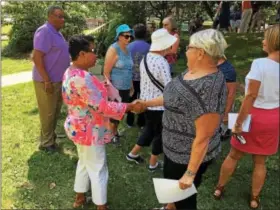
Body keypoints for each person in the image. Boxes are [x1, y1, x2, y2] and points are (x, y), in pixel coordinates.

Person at [135, 29, 227, 210]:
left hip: (185, 157)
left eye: (189, 47)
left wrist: (190, 173)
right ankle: (170, 207)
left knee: (185, 198)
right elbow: (173, 96)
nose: (185, 51)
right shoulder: (192, 71)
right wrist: (146, 103)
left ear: (201, 53)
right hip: (173, 148)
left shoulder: (207, 87)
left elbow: (203, 136)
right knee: (176, 191)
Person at [62, 35, 142, 210]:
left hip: (77, 128)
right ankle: (101, 205)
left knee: (84, 161)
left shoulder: (71, 72)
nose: (96, 55)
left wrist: (101, 87)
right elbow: (102, 107)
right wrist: (129, 107)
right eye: (92, 51)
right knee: (98, 166)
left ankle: (80, 196)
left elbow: (87, 98)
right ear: (81, 54)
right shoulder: (82, 78)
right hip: (88, 130)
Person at [214, 24, 279, 209]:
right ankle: (254, 198)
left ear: (274, 42)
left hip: (254, 116)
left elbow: (251, 96)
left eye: (266, 37)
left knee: (234, 154)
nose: (263, 40)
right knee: (260, 161)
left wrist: (238, 122)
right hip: (273, 117)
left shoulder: (260, 64)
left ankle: (219, 187)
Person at [126, 29, 176, 172]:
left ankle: (133, 154)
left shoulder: (146, 58)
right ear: (164, 46)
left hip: (146, 103)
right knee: (161, 134)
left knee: (149, 129)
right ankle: (153, 163)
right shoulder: (162, 62)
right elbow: (169, 88)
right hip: (159, 105)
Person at [32, 5, 70, 152]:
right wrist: (46, 80)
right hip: (46, 81)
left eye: (63, 16)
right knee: (48, 112)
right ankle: (46, 144)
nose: (63, 19)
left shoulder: (57, 33)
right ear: (50, 17)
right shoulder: (45, 31)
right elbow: (37, 57)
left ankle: (50, 138)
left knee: (54, 111)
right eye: (59, 16)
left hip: (58, 80)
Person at [103, 24, 134, 145]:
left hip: (126, 86)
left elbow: (129, 69)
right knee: (114, 113)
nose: (129, 38)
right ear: (119, 37)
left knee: (121, 112)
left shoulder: (128, 49)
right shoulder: (113, 49)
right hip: (115, 87)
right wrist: (110, 89)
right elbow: (106, 71)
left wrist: (131, 85)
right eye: (126, 36)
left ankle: (114, 132)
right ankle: (112, 134)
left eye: (130, 36)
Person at [126, 24, 150, 128]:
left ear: (134, 34)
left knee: (131, 99)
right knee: (143, 99)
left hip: (131, 78)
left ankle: (130, 121)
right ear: (145, 34)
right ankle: (141, 122)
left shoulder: (128, 47)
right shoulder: (149, 47)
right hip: (145, 78)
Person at [217, 56, 237, 140]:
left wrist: (226, 114)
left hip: (222, 106)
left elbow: (231, 94)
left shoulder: (227, 69)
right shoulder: (205, 64)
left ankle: (227, 131)